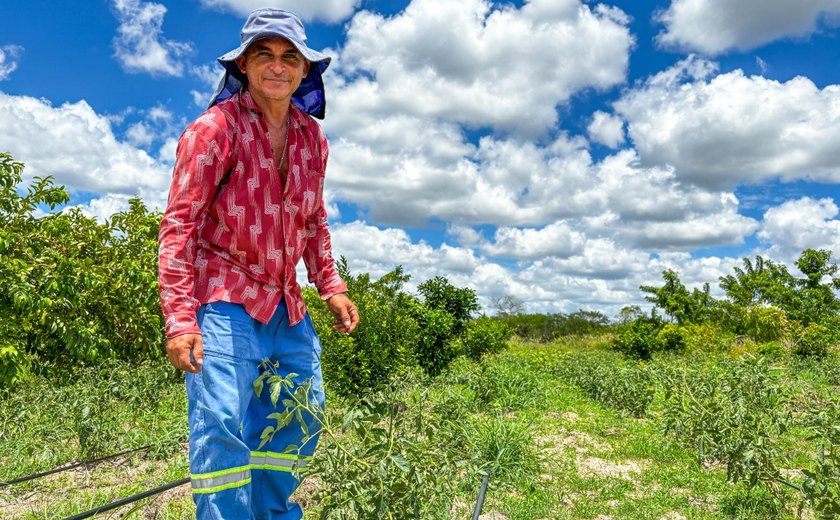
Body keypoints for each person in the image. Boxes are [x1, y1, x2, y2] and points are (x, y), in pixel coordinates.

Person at [157, 8, 358, 519]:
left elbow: (313, 218)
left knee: (301, 413)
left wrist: (330, 286)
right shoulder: (213, 130)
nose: (277, 66)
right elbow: (179, 226)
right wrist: (181, 318)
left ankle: (274, 513)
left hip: (285, 303)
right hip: (224, 298)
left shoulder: (313, 138)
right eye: (264, 55)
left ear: (304, 70)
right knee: (222, 424)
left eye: (290, 57)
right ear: (243, 65)